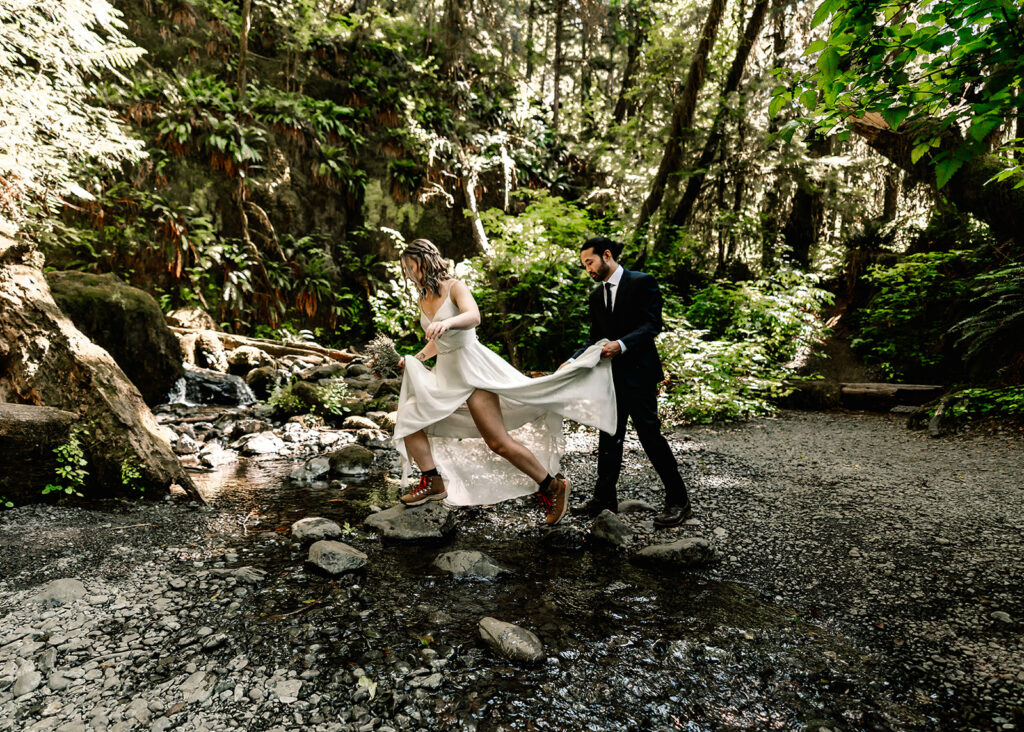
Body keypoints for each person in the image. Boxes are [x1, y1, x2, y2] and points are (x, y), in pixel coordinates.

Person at [392, 238, 617, 525]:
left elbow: (474, 317)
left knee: (497, 442)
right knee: (409, 416)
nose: (410, 274)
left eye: (412, 267)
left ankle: (553, 486)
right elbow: (437, 342)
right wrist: (417, 358)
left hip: (473, 372)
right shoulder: (423, 297)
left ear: (427, 260)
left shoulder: (455, 286)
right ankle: (433, 482)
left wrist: (447, 323)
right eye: (406, 270)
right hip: (446, 374)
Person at [561, 236, 693, 528]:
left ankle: (679, 500)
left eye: (590, 262)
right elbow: (596, 338)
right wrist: (573, 359)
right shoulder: (596, 297)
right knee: (608, 435)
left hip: (640, 372)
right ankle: (604, 498)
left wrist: (621, 344)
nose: (588, 270)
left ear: (607, 255)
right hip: (608, 378)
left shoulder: (642, 281)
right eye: (584, 265)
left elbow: (652, 325)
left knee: (650, 436)